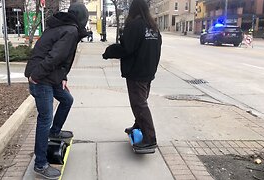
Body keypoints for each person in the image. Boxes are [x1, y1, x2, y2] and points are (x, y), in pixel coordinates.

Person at [24, 3, 88, 179]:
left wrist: (63, 77)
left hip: (50, 77)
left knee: (67, 100)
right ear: (82, 18)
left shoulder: (64, 27)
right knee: (45, 118)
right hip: (42, 78)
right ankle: (40, 164)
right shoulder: (70, 31)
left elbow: (61, 58)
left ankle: (55, 131)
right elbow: (54, 57)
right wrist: (36, 76)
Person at [102, 0, 162, 151]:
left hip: (136, 72)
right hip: (149, 71)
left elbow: (126, 48)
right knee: (141, 101)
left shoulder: (135, 25)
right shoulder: (153, 27)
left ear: (133, 10)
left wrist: (109, 52)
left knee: (139, 104)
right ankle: (138, 125)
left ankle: (150, 138)